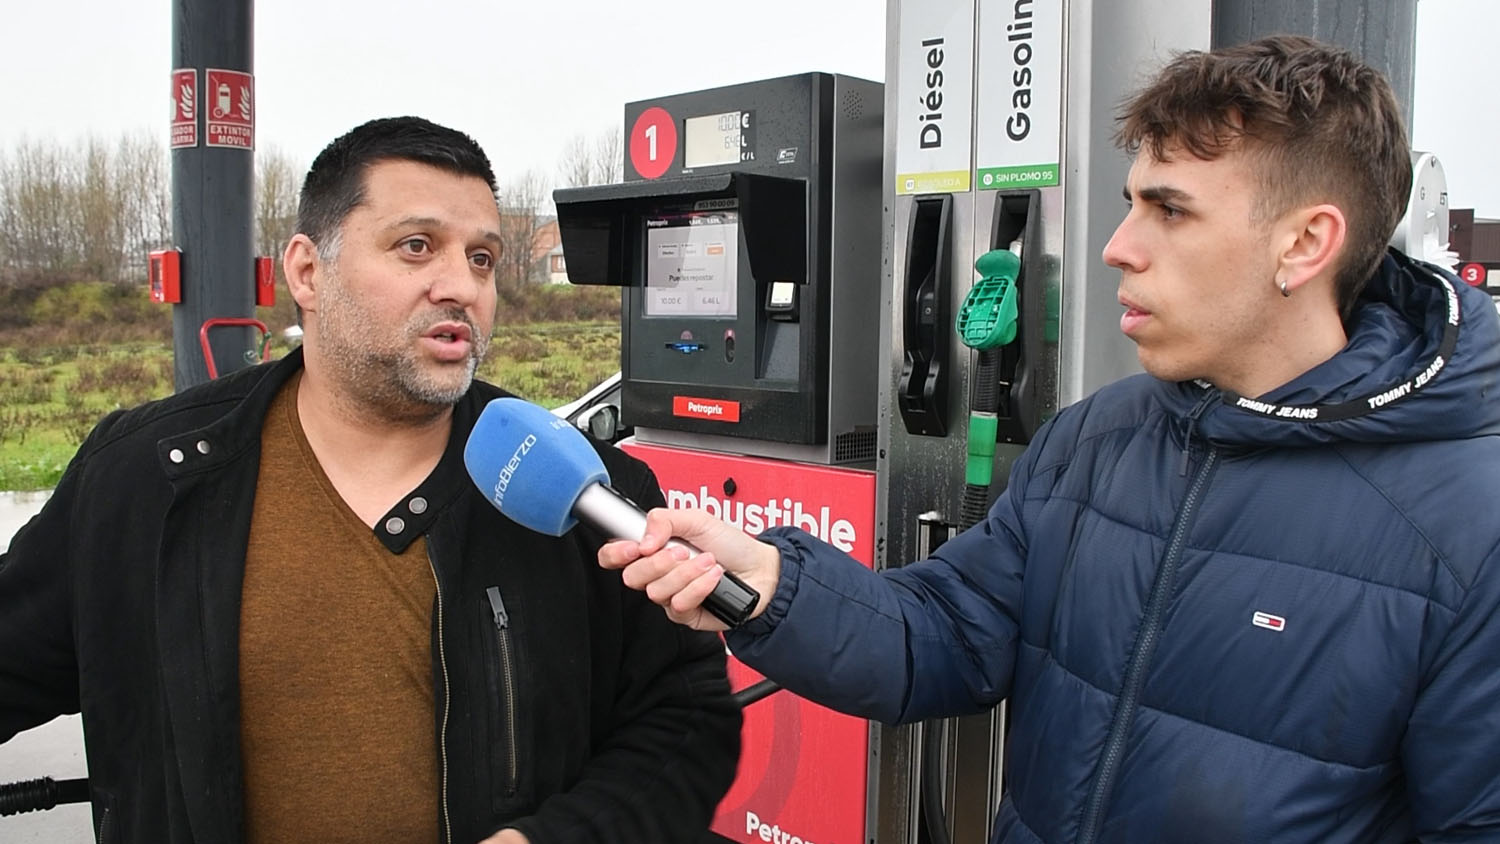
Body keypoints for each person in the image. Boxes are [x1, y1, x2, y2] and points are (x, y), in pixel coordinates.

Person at [601, 35, 1500, 843]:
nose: (1117, 246)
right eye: (1127, 203)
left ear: (1305, 244)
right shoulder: (1100, 437)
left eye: (1170, 210)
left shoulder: (1467, 524)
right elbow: (947, 632)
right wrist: (772, 587)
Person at [0, 116, 741, 844]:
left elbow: (684, 724)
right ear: (306, 271)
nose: (461, 286)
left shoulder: (592, 492)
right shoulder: (142, 477)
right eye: (417, 247)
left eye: (482, 258)